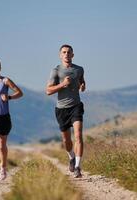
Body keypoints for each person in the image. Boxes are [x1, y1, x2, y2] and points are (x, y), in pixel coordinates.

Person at [46, 44, 86, 178]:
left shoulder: (79, 69)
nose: (66, 54)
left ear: (73, 55)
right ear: (60, 55)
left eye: (69, 52)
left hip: (76, 106)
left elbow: (81, 81)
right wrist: (62, 84)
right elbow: (48, 91)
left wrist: (83, 85)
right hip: (61, 109)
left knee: (78, 136)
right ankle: (71, 157)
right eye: (64, 52)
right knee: (66, 140)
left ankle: (78, 167)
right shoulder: (56, 71)